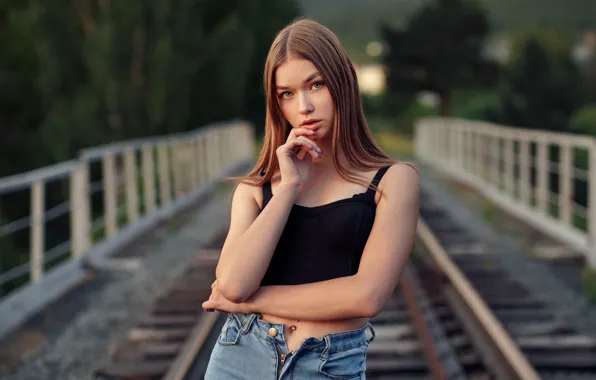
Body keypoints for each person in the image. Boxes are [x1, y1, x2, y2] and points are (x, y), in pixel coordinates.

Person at [202, 18, 420, 380]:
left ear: (342, 83)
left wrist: (255, 302)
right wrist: (288, 188)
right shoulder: (257, 188)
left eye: (315, 84)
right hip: (239, 358)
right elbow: (233, 286)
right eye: (286, 94)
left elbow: (367, 296)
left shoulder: (393, 180)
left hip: (327, 366)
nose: (303, 106)